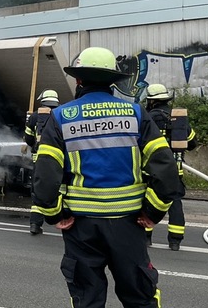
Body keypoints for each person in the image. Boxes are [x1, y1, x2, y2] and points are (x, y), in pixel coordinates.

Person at [32, 47, 181, 308]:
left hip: (80, 226)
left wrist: (54, 214)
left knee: (87, 299)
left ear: (78, 80)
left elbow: (45, 178)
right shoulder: (135, 114)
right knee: (140, 297)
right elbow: (166, 173)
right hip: (129, 223)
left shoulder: (60, 118)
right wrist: (152, 212)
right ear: (113, 81)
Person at [144, 84, 198, 251]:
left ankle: (146, 238)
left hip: (151, 171)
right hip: (175, 170)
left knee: (147, 202)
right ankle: (175, 240)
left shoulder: (147, 118)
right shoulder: (178, 120)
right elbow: (192, 143)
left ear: (151, 101)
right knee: (175, 203)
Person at [24, 89, 60, 235]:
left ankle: (35, 224)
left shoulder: (34, 117)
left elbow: (28, 139)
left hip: (39, 161)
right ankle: (64, 221)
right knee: (61, 190)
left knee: (38, 191)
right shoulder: (61, 115)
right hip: (58, 162)